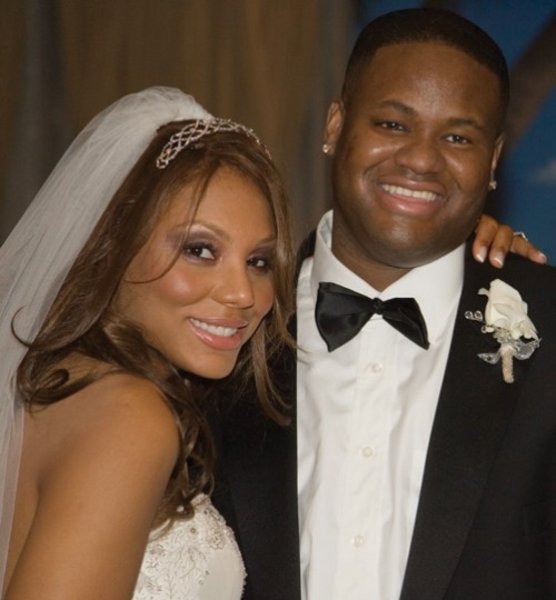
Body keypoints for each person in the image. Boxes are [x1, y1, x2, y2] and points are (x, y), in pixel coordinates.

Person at [211, 8, 556, 600]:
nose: (421, 159)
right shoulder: (220, 327)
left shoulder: (546, 325)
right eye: (393, 124)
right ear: (335, 126)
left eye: (457, 137)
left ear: (493, 159)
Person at [0, 86, 297, 599]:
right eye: (200, 250)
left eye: (259, 262)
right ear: (117, 242)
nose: (242, 293)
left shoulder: (55, 382)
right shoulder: (130, 414)